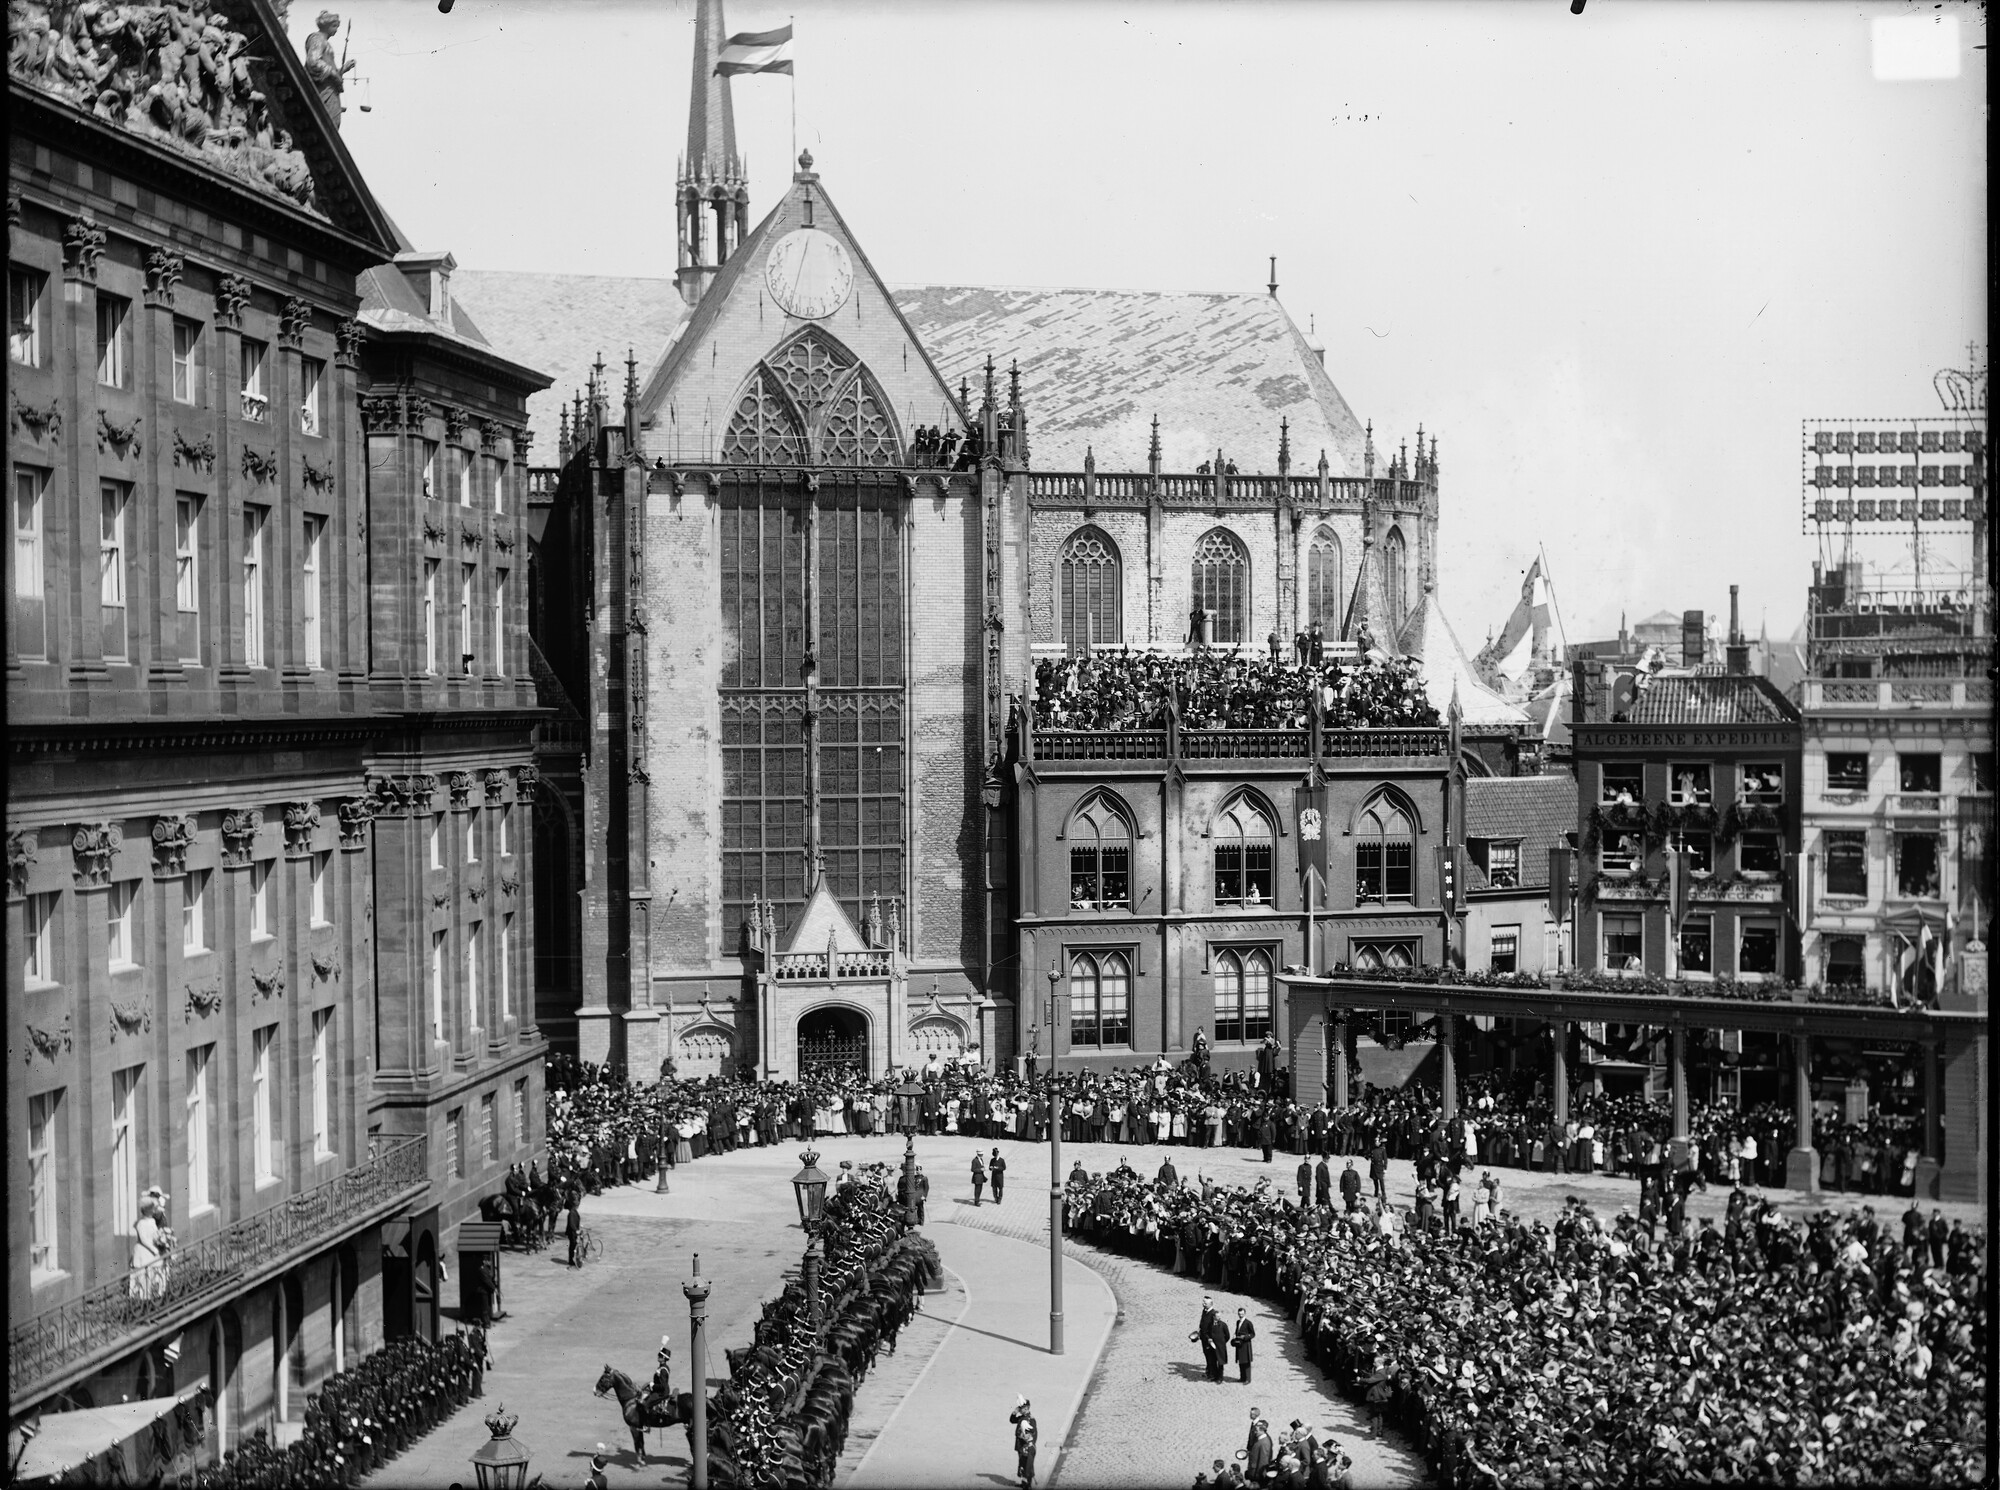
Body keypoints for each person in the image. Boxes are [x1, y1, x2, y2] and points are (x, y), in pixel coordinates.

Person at [302, 10, 355, 122]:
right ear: (327, 25)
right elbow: (313, 61)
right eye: (335, 26)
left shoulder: (325, 42)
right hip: (323, 91)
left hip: (330, 90)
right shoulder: (317, 39)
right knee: (326, 122)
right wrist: (333, 73)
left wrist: (344, 69)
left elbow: (330, 71)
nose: (336, 29)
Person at [1011, 1397, 1039, 1488]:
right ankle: (1024, 1484)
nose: (1022, 1410)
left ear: (1027, 1408)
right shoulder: (1022, 1417)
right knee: (1022, 1464)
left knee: (1028, 1465)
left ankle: (1028, 1485)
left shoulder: (1030, 1419)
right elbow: (1012, 1420)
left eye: (1023, 1408)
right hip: (1020, 1444)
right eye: (1021, 1408)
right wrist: (1015, 1412)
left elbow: (1034, 1433)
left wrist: (1029, 1444)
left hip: (1026, 1445)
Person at [1194, 1295, 1223, 1380]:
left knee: (1211, 1357)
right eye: (1203, 1302)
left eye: (1205, 1303)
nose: (1203, 1304)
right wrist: (1199, 1331)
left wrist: (1211, 1338)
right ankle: (1208, 1371)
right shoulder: (1204, 1311)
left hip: (1210, 1339)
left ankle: (1212, 1374)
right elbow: (1202, 1322)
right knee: (1207, 1355)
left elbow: (1216, 1328)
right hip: (1203, 1337)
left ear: (1211, 1303)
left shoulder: (1213, 1314)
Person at [1232, 1308, 1256, 1384]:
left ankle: (1248, 1379)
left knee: (1246, 1362)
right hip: (1239, 1344)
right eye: (1239, 1314)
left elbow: (1253, 1334)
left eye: (1242, 1314)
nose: (1240, 1315)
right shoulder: (1238, 1322)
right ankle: (1242, 1377)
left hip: (1245, 1344)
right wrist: (1235, 1335)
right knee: (1241, 1361)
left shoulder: (1248, 1323)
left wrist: (1245, 1337)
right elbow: (1237, 1331)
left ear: (1245, 1314)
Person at [565, 1195, 583, 1269]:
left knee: (574, 1245)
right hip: (572, 1233)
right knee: (573, 1246)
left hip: (574, 1232)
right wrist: (576, 1230)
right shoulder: (572, 1213)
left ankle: (573, 1259)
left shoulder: (574, 1211)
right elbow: (572, 1224)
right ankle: (571, 1260)